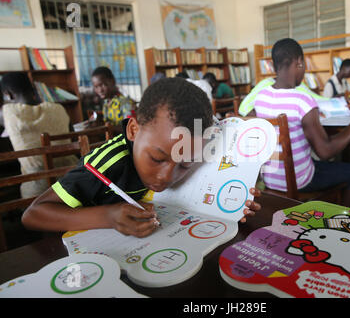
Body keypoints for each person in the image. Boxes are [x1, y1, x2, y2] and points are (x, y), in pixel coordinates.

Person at [22, 78, 262, 237]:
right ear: (134, 130)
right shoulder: (109, 162)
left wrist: (232, 207)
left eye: (185, 165)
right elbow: (33, 214)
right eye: (157, 159)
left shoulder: (189, 148)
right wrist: (109, 216)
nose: (166, 176)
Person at [253, 38, 350, 207]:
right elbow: (326, 151)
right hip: (300, 179)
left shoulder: (260, 97)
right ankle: (340, 222)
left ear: (274, 65)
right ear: (300, 63)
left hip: (270, 179)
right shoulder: (302, 100)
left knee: (317, 163)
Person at [1, 72, 78, 198]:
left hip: (37, 192)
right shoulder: (58, 109)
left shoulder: (8, 113)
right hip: (71, 181)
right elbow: (73, 139)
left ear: (8, 95)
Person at [238, 77, 327, 117]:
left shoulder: (299, 85)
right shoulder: (265, 86)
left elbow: (318, 99)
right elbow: (243, 108)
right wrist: (264, 119)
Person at [91, 66, 136, 133]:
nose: (100, 90)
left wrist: (110, 127)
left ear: (113, 81)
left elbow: (131, 129)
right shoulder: (106, 103)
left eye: (102, 85)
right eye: (96, 87)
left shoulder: (125, 102)